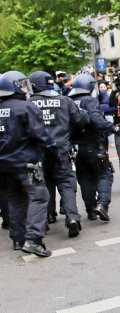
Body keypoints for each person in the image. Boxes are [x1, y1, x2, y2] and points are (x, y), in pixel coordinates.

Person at [0, 71, 57, 256]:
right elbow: (41, 135)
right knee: (39, 197)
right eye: (22, 85)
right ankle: (33, 239)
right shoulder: (25, 107)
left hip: (5, 165)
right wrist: (53, 149)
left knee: (15, 199)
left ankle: (18, 238)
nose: (25, 88)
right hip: (26, 162)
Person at [29, 71, 89, 237]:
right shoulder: (65, 101)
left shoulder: (29, 103)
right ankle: (72, 218)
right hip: (61, 150)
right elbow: (81, 120)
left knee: (43, 184)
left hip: (39, 153)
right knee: (66, 183)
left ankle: (48, 216)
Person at [69, 73, 115, 222]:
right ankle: (102, 204)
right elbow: (96, 120)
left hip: (76, 147)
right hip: (92, 144)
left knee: (85, 179)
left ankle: (90, 210)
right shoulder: (89, 100)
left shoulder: (68, 101)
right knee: (105, 174)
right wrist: (112, 127)